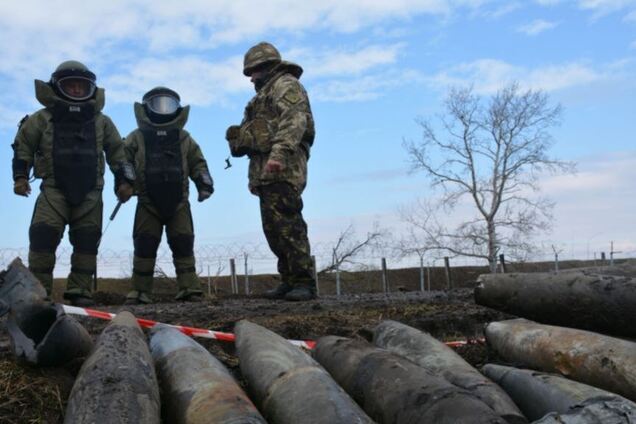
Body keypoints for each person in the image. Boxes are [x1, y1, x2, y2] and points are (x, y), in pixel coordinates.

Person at [11, 60, 134, 306]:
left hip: (90, 192)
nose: (77, 90)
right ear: (57, 87)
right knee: (43, 237)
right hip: (53, 190)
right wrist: (21, 177)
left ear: (91, 89)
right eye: (71, 86)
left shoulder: (102, 121)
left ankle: (80, 291)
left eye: (82, 86)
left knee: (87, 242)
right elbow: (23, 146)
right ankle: (39, 295)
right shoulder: (42, 119)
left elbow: (118, 154)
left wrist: (125, 182)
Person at [226, 42, 317, 301]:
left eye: (254, 71)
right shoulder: (261, 96)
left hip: (284, 166)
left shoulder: (286, 86)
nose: (251, 78)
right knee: (273, 228)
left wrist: (278, 155)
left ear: (267, 67)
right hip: (265, 172)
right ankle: (289, 280)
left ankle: (303, 281)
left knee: (288, 223)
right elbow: (256, 138)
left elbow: (293, 121)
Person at [123, 87, 213, 304]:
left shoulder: (184, 138)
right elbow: (123, 162)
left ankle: (190, 289)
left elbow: (198, 164)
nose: (164, 110)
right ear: (147, 108)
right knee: (144, 245)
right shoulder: (136, 137)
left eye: (169, 104)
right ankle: (140, 291)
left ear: (177, 109)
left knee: (183, 243)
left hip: (179, 202)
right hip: (146, 202)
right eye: (158, 104)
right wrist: (125, 184)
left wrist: (204, 186)